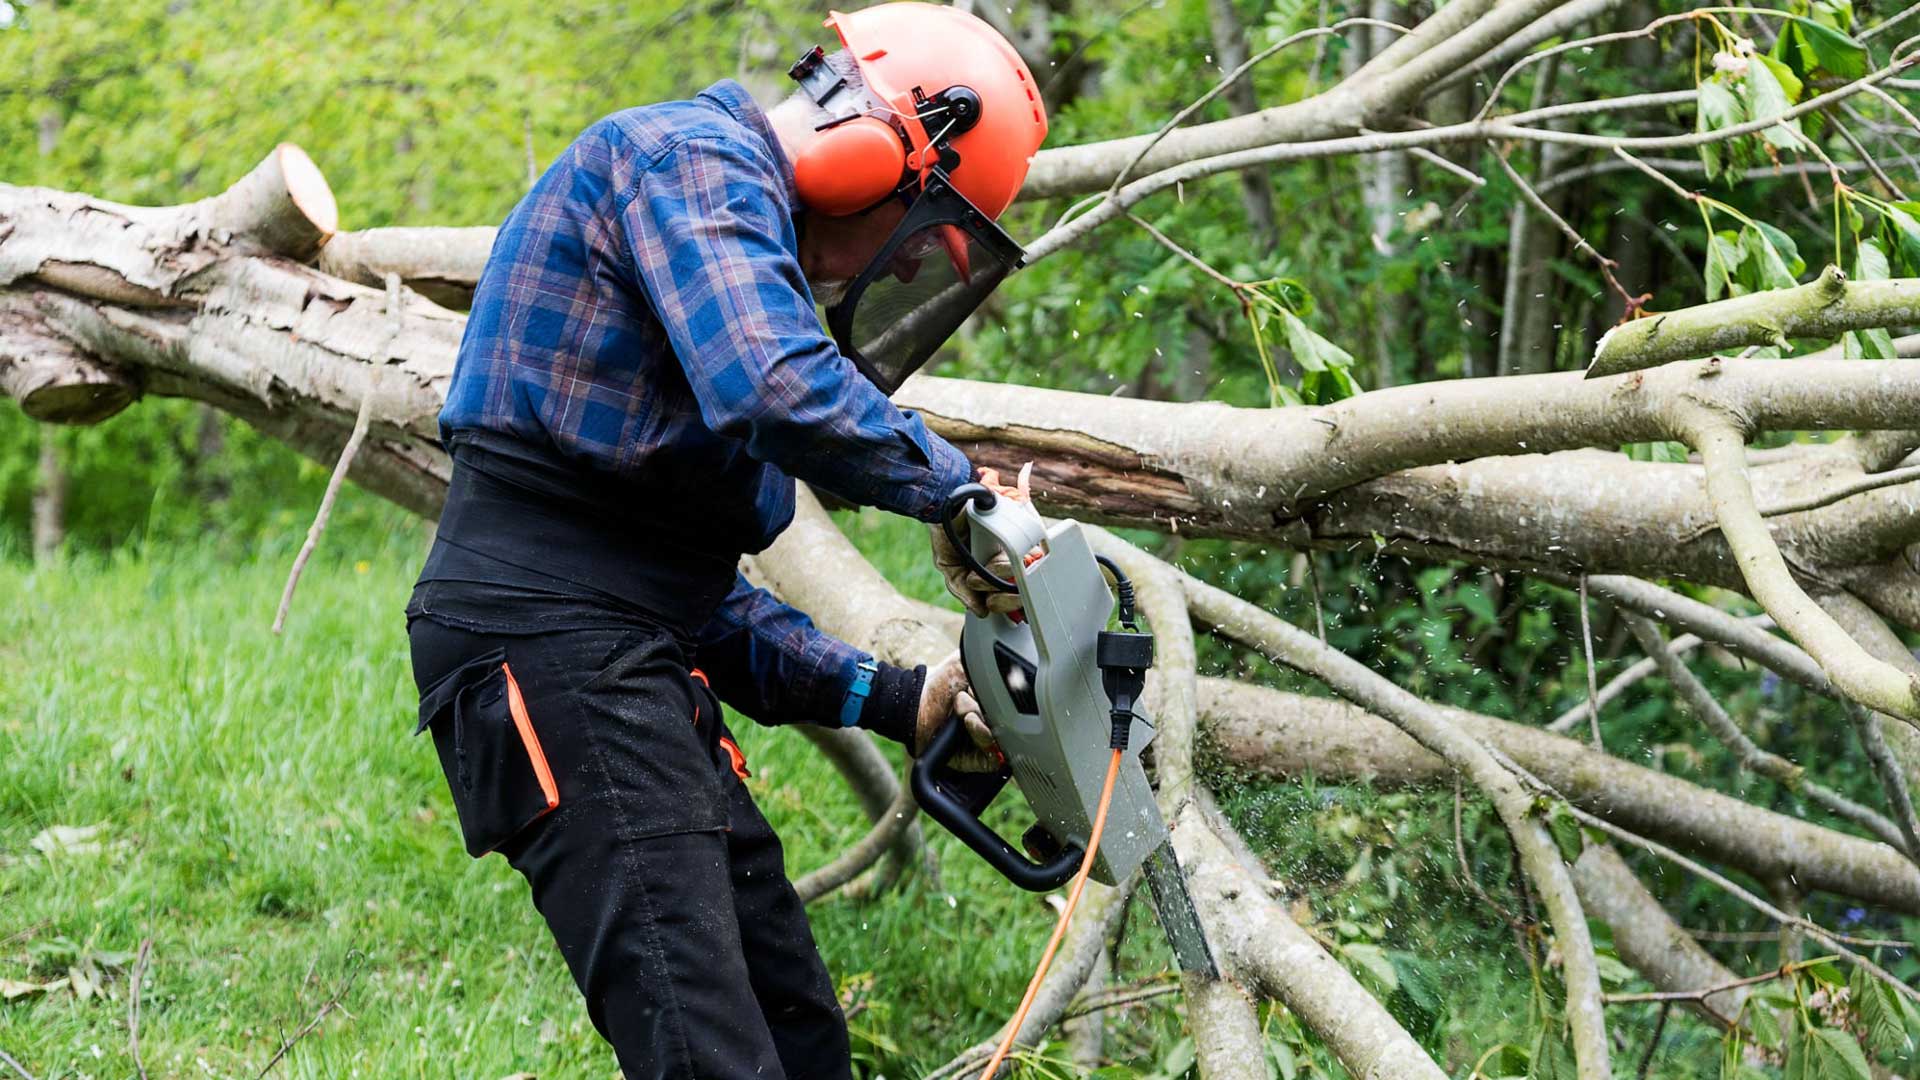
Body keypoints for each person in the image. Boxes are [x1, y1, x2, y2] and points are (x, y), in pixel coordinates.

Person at [403, 4, 1048, 1076]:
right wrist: (959, 496)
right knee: (711, 1055)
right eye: (917, 238)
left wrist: (905, 698)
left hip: (616, 649)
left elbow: (693, 598)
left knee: (796, 1034)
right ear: (879, 145)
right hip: (550, 648)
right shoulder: (687, 159)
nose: (894, 275)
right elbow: (777, 386)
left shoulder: (735, 273)